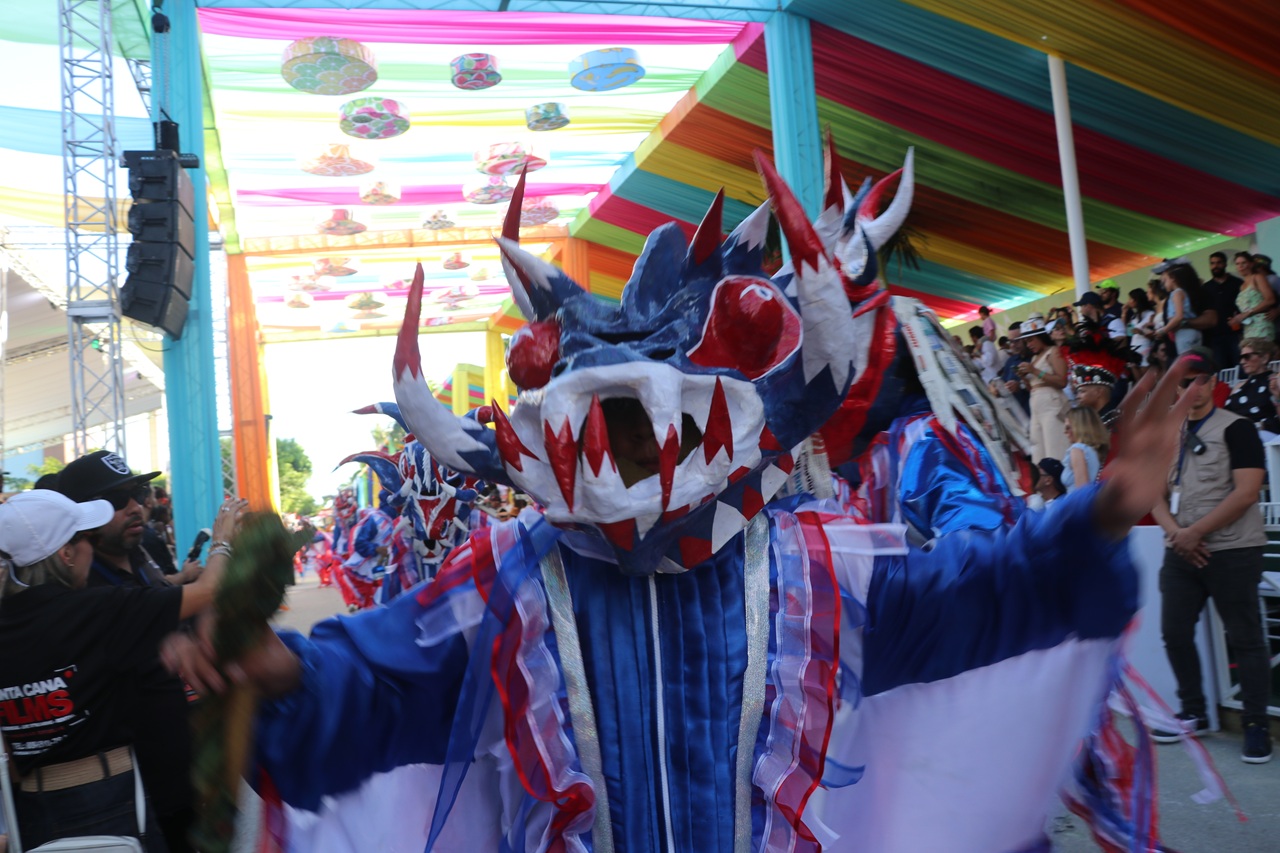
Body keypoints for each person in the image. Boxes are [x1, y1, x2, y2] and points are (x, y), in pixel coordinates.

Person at [0, 490, 241, 851]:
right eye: (86, 538)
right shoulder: (95, 610)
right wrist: (223, 541)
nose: (92, 548)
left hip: (31, 812)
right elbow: (209, 591)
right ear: (66, 554)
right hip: (106, 800)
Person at [54, 451, 206, 853]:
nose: (135, 507)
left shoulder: (140, 556)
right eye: (117, 500)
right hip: (138, 797)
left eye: (137, 493)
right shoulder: (84, 592)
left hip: (188, 775)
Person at [1149, 347, 1272, 764]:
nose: (1194, 389)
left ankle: (1255, 724)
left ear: (1214, 382)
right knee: (1174, 632)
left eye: (1201, 380)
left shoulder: (1238, 428)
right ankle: (1194, 712)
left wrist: (1194, 533)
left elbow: (1247, 492)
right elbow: (1154, 494)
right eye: (1185, 382)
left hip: (1233, 548)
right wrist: (1177, 534)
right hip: (1181, 550)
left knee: (1245, 637)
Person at [1015, 316, 1070, 461]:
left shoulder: (1054, 351)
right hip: (1036, 405)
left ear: (1041, 337)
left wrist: (1034, 371)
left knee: (1056, 449)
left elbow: (1062, 381)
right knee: (1039, 453)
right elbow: (1033, 387)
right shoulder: (1034, 358)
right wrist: (1024, 377)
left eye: (1031, 340)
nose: (1029, 345)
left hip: (1052, 404)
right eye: (1026, 342)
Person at [1225, 338, 1278, 439]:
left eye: (1247, 357)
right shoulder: (1238, 386)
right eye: (1241, 357)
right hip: (1236, 435)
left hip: (1266, 436)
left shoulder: (1275, 381)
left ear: (1264, 358)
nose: (1242, 362)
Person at [1154, 260, 1208, 354]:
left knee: (1187, 360)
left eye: (1165, 281)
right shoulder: (1181, 292)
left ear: (1173, 278)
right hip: (1192, 333)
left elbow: (1179, 316)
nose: (1164, 285)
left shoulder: (1177, 294)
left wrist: (1164, 330)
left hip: (1185, 334)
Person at [1203, 250, 1243, 369]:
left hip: (1236, 333)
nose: (1215, 266)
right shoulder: (1205, 288)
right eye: (1212, 263)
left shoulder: (1237, 283)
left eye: (1219, 262)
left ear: (1225, 264)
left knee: (1241, 367)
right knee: (1221, 370)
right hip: (1215, 337)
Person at [1229, 254, 1276, 341]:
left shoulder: (1257, 277)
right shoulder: (1242, 286)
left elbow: (1270, 299)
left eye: (1244, 263)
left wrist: (1248, 313)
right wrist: (1237, 319)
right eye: (1237, 264)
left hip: (1261, 324)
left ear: (1251, 264)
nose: (1240, 266)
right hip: (1248, 327)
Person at [1061, 406, 1108, 493]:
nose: (1065, 432)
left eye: (1068, 427)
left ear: (1079, 427)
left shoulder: (1077, 449)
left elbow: (1082, 492)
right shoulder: (1094, 449)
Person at [1123, 287, 1158, 367]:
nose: (1128, 301)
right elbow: (1127, 332)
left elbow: (1154, 335)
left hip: (1145, 348)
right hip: (1134, 349)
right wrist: (1124, 314)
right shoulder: (1134, 317)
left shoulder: (1150, 314)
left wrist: (1141, 332)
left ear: (1137, 300)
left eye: (1131, 299)